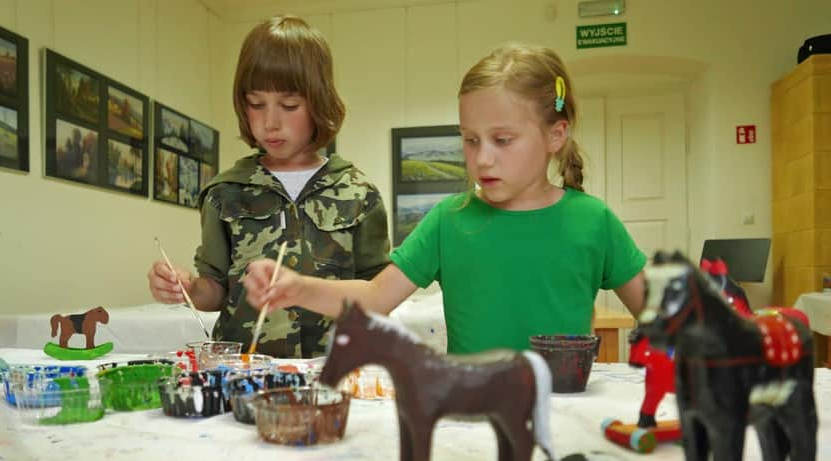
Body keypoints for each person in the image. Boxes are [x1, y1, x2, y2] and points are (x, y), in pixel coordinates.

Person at [244, 44, 646, 355]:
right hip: (470, 417)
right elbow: (373, 298)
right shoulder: (449, 220)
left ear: (556, 136)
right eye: (470, 140)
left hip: (561, 417)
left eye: (502, 140)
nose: (482, 157)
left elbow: (661, 317)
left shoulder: (594, 221)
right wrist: (298, 289)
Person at [147, 15, 391, 358]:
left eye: (289, 105)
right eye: (255, 103)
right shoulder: (225, 191)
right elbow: (215, 289)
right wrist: (185, 287)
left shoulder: (358, 193)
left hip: (335, 372)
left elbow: (381, 294)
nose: (269, 122)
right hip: (246, 374)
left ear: (319, 102)